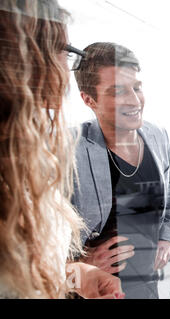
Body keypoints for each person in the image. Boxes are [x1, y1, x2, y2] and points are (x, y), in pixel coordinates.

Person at [0, 0, 123, 299]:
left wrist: (77, 275)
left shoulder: (27, 151)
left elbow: (23, 272)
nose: (64, 70)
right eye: (63, 53)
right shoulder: (68, 144)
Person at [72, 42, 170, 298]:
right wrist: (77, 261)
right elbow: (31, 235)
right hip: (98, 289)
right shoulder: (68, 149)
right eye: (118, 91)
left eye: (137, 88)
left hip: (147, 281)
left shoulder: (157, 135)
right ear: (89, 100)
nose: (135, 101)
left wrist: (166, 237)